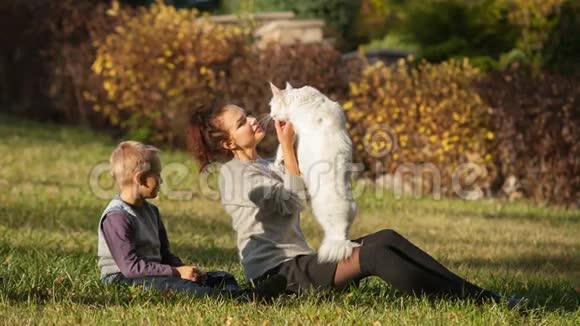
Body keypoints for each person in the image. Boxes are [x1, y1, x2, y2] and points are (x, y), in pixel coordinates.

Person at [186, 102, 525, 308]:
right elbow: (292, 200)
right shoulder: (233, 175)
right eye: (242, 122)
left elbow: (294, 175)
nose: (252, 121)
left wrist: (299, 134)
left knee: (386, 237)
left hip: (298, 263)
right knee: (372, 255)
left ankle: (481, 296)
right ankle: (477, 301)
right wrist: (288, 148)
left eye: (247, 115)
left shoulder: (259, 164)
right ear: (229, 142)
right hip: (277, 277)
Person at [97, 140, 286, 301]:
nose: (161, 181)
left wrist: (185, 270)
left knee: (222, 277)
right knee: (182, 287)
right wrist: (177, 273)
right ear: (141, 179)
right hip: (123, 279)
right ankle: (243, 299)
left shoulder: (151, 211)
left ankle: (240, 295)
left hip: (155, 273)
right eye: (158, 175)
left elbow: (164, 254)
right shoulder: (117, 217)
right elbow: (131, 268)